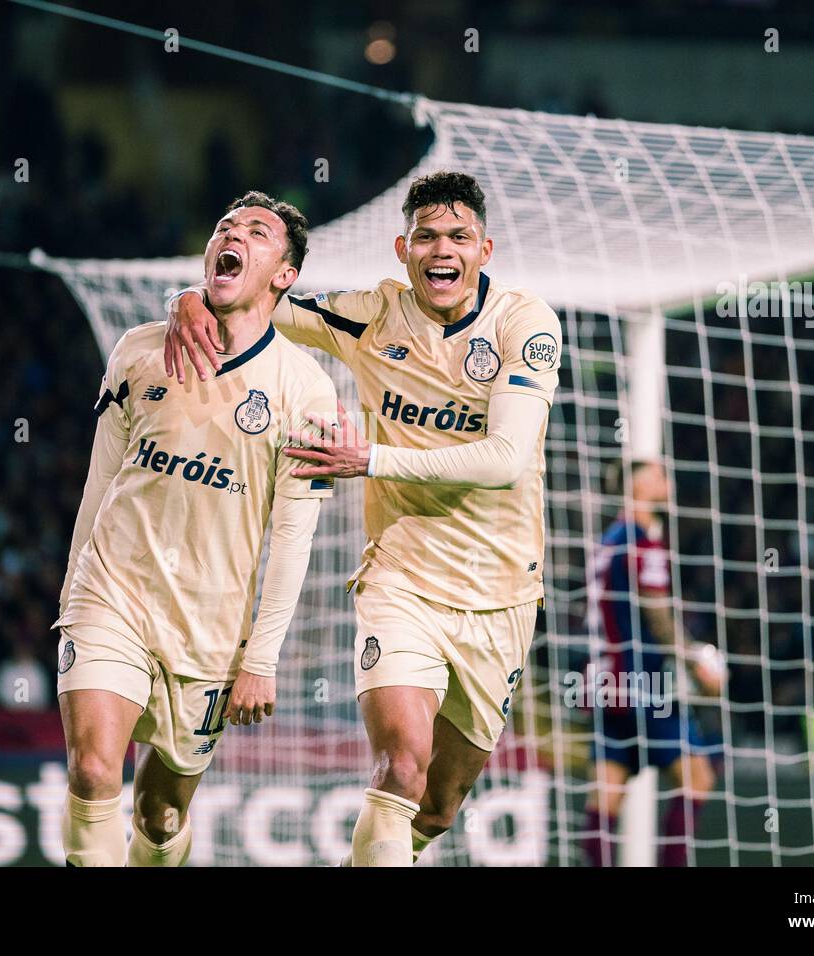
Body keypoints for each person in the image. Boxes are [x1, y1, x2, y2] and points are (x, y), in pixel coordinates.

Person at [167, 171, 560, 866]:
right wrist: (189, 298)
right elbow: (255, 299)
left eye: (459, 237)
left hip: (502, 595)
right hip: (401, 582)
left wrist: (370, 458)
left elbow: (503, 459)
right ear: (403, 249)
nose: (444, 249)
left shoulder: (522, 326)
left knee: (436, 809)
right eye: (428, 237)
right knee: (400, 769)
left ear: (485, 249)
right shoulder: (371, 316)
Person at [55, 192, 337, 866]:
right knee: (94, 770)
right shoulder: (139, 351)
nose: (232, 236)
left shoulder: (306, 389)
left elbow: (293, 536)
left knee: (160, 815)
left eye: (257, 233)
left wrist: (260, 660)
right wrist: (72, 594)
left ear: (284, 274)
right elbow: (100, 480)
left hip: (210, 627)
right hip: (112, 595)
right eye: (223, 227)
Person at [583, 459, 722, 866]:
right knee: (699, 778)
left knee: (607, 794)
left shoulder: (610, 538)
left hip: (606, 683)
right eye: (659, 474)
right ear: (639, 485)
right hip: (642, 683)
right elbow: (657, 612)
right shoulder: (641, 540)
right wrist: (697, 660)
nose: (668, 481)